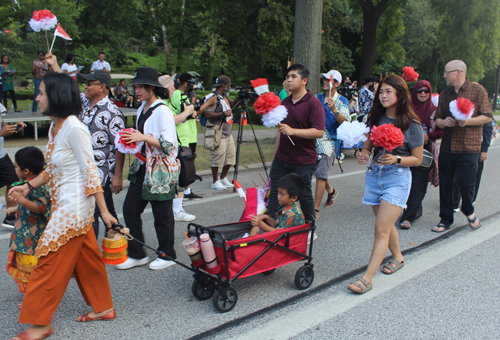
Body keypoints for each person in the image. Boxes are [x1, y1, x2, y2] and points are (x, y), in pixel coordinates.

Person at [8, 70, 117, 340]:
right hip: (64, 205)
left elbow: (91, 172)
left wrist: (104, 212)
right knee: (87, 258)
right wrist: (28, 185)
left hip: (73, 209)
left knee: (46, 261)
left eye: (42, 92)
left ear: (55, 96)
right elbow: (54, 169)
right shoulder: (57, 128)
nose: (37, 97)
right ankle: (103, 307)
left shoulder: (74, 128)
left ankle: (39, 323)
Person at [348, 74, 423, 294]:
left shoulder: (412, 124)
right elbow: (368, 145)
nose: (383, 95)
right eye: (381, 91)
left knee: (380, 229)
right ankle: (398, 257)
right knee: (386, 225)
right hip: (374, 175)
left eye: (388, 91)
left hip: (397, 178)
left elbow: (417, 159)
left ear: (400, 94)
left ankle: (367, 278)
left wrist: (397, 158)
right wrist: (363, 153)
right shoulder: (378, 117)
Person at [117, 67, 179, 271]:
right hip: (143, 166)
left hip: (160, 170)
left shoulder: (163, 110)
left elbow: (170, 145)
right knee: (129, 209)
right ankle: (137, 253)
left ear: (152, 87)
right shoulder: (141, 107)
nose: (137, 90)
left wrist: (142, 137)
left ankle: (167, 254)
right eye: (136, 86)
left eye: (141, 86)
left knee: (162, 215)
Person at [431, 60, 492, 232]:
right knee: (446, 184)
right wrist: (443, 122)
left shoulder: (477, 90)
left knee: (466, 183)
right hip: (448, 147)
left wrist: (468, 121)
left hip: (469, 147)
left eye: (447, 72)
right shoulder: (445, 93)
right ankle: (445, 218)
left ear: (459, 72)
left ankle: (468, 209)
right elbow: (437, 119)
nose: (444, 76)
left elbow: (487, 116)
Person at [266, 64, 325, 224]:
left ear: (304, 80)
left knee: (304, 195)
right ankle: (272, 225)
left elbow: (319, 131)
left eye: (293, 76)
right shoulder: (285, 102)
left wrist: (293, 131)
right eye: (287, 77)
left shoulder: (313, 103)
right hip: (282, 158)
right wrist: (274, 157)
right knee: (275, 193)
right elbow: (281, 132)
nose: (289, 80)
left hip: (303, 160)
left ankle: (309, 227)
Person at [6, 147, 50, 300]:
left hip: (33, 240)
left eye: (16, 166)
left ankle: (35, 301)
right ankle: (32, 297)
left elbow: (41, 207)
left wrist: (21, 200)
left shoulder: (38, 186)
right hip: (24, 238)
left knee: (33, 270)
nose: (14, 168)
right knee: (26, 269)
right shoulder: (26, 184)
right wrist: (15, 208)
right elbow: (27, 205)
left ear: (26, 170)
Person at [399, 80, 443, 229]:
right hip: (405, 151)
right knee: (406, 182)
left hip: (424, 152)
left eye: (426, 91)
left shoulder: (435, 110)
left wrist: (429, 136)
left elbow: (443, 131)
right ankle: (415, 209)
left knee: (418, 183)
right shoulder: (406, 108)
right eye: (420, 91)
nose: (423, 93)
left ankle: (408, 217)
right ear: (414, 92)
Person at [313, 70, 349, 220]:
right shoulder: (316, 98)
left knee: (321, 173)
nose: (325, 82)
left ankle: (314, 209)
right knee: (319, 170)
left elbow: (346, 122)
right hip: (313, 138)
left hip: (330, 140)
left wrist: (334, 110)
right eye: (324, 80)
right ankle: (331, 191)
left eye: (329, 79)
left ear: (337, 83)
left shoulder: (342, 101)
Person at [203, 75, 242, 190]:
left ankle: (223, 178)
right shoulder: (214, 98)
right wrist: (223, 114)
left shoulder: (223, 97)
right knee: (217, 158)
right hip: (218, 133)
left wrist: (240, 97)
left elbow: (233, 105)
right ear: (224, 86)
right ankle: (215, 181)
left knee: (230, 157)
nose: (230, 88)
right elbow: (207, 114)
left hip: (227, 133)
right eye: (229, 86)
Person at [452, 121, 494, 210]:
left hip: (477, 147)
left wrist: (484, 150)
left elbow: (488, 127)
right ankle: (455, 201)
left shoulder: (483, 109)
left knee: (475, 174)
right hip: (460, 145)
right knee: (457, 173)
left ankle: (470, 199)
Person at [0, 103, 25, 228]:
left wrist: (13, 128)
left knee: (13, 182)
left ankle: (10, 217)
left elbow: (3, 125)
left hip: (1, 155)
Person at [31, 51, 50, 115]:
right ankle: (34, 110)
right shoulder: (35, 62)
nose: (41, 56)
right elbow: (32, 72)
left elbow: (49, 71)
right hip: (38, 79)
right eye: (40, 55)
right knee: (37, 94)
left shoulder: (46, 62)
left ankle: (46, 109)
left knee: (46, 94)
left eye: (42, 55)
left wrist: (46, 67)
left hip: (45, 79)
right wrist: (36, 68)